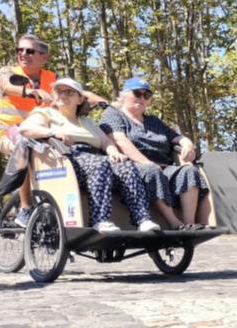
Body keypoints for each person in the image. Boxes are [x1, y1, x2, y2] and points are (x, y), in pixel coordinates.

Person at [19, 78, 160, 234]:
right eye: (59, 91)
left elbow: (106, 141)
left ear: (80, 99)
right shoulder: (45, 113)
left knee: (126, 166)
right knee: (100, 164)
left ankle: (142, 218)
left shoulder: (87, 122)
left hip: (95, 157)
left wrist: (113, 151)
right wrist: (52, 132)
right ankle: (100, 220)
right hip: (66, 158)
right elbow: (25, 129)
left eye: (69, 92)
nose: (63, 95)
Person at [0, 33, 105, 225]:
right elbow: (6, 86)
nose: (23, 54)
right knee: (24, 145)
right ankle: (25, 209)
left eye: (30, 51)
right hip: (12, 132)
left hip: (43, 133)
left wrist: (105, 103)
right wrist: (30, 92)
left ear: (44, 57)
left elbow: (80, 91)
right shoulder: (8, 72)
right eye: (20, 50)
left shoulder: (52, 78)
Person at [99, 77, 211, 230]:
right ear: (124, 95)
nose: (142, 98)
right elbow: (119, 140)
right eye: (137, 93)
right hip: (131, 167)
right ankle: (174, 223)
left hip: (164, 166)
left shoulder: (153, 121)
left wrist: (187, 144)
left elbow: (176, 137)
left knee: (189, 171)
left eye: (146, 95)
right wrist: (146, 162)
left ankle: (189, 224)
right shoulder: (113, 114)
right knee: (151, 170)